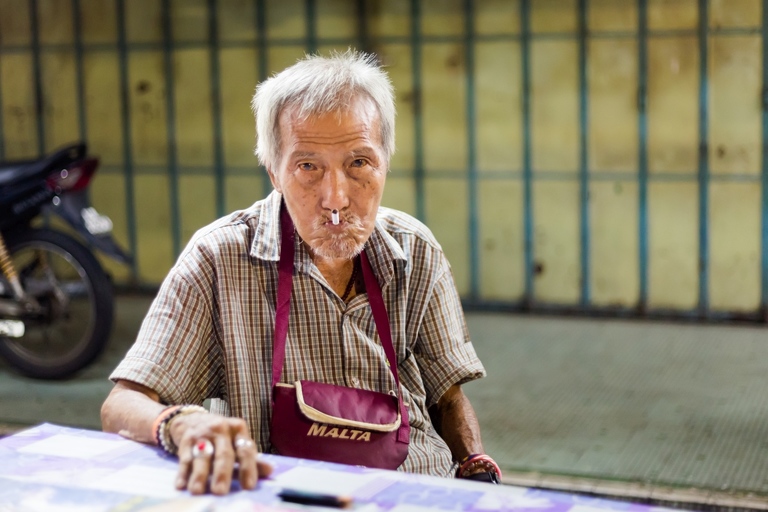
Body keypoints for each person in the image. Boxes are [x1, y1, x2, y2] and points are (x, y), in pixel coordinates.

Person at [101, 50, 501, 496]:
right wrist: (179, 423)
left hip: (413, 494)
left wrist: (474, 465)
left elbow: (446, 397)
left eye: (359, 163)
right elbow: (122, 405)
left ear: (385, 161)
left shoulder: (415, 251)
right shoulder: (220, 259)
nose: (335, 198)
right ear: (274, 172)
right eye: (308, 166)